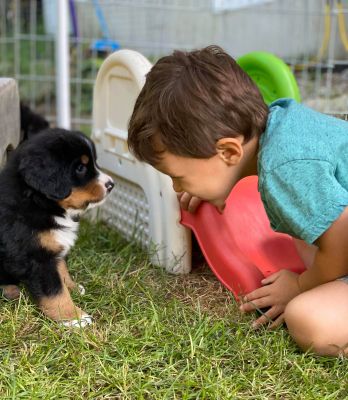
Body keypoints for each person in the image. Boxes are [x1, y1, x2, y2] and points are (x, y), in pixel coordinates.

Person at [127, 45, 348, 357]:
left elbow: (341, 234)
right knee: (302, 233)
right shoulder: (282, 124)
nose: (177, 186)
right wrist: (209, 182)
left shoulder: (283, 170)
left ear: (229, 152)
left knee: (308, 320)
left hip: (345, 236)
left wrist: (300, 286)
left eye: (180, 176)